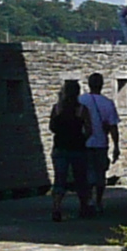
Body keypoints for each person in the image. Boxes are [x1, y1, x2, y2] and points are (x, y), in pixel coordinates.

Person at [82, 73, 121, 220]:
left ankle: (86, 201)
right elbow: (113, 127)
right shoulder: (108, 103)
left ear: (89, 84)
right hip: (100, 144)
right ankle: (98, 201)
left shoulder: (81, 100)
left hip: (84, 143)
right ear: (102, 85)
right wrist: (116, 146)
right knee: (100, 175)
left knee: (85, 174)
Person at [49, 79, 87, 223]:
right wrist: (82, 138)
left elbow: (52, 127)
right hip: (78, 147)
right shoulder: (81, 109)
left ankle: (57, 208)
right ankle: (83, 207)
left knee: (59, 179)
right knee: (80, 179)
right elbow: (89, 129)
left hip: (60, 147)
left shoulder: (57, 108)